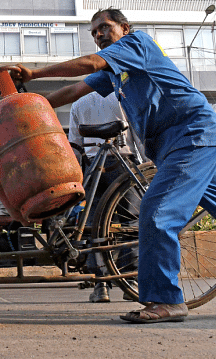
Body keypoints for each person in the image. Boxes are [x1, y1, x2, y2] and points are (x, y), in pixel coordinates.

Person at [11, 7, 216, 323]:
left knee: (156, 212)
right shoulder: (114, 72)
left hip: (191, 136)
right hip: (178, 146)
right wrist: (20, 102)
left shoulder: (138, 44)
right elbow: (73, 90)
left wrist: (36, 72)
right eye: (94, 32)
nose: (98, 35)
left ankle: (166, 300)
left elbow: (92, 62)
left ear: (124, 29)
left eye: (105, 28)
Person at [68, 91, 142, 303]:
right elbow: (137, 136)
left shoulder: (78, 103)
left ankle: (101, 285)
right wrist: (147, 165)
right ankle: (131, 282)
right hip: (122, 163)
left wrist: (78, 177)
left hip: (94, 166)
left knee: (94, 224)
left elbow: (75, 145)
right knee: (132, 223)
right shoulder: (122, 97)